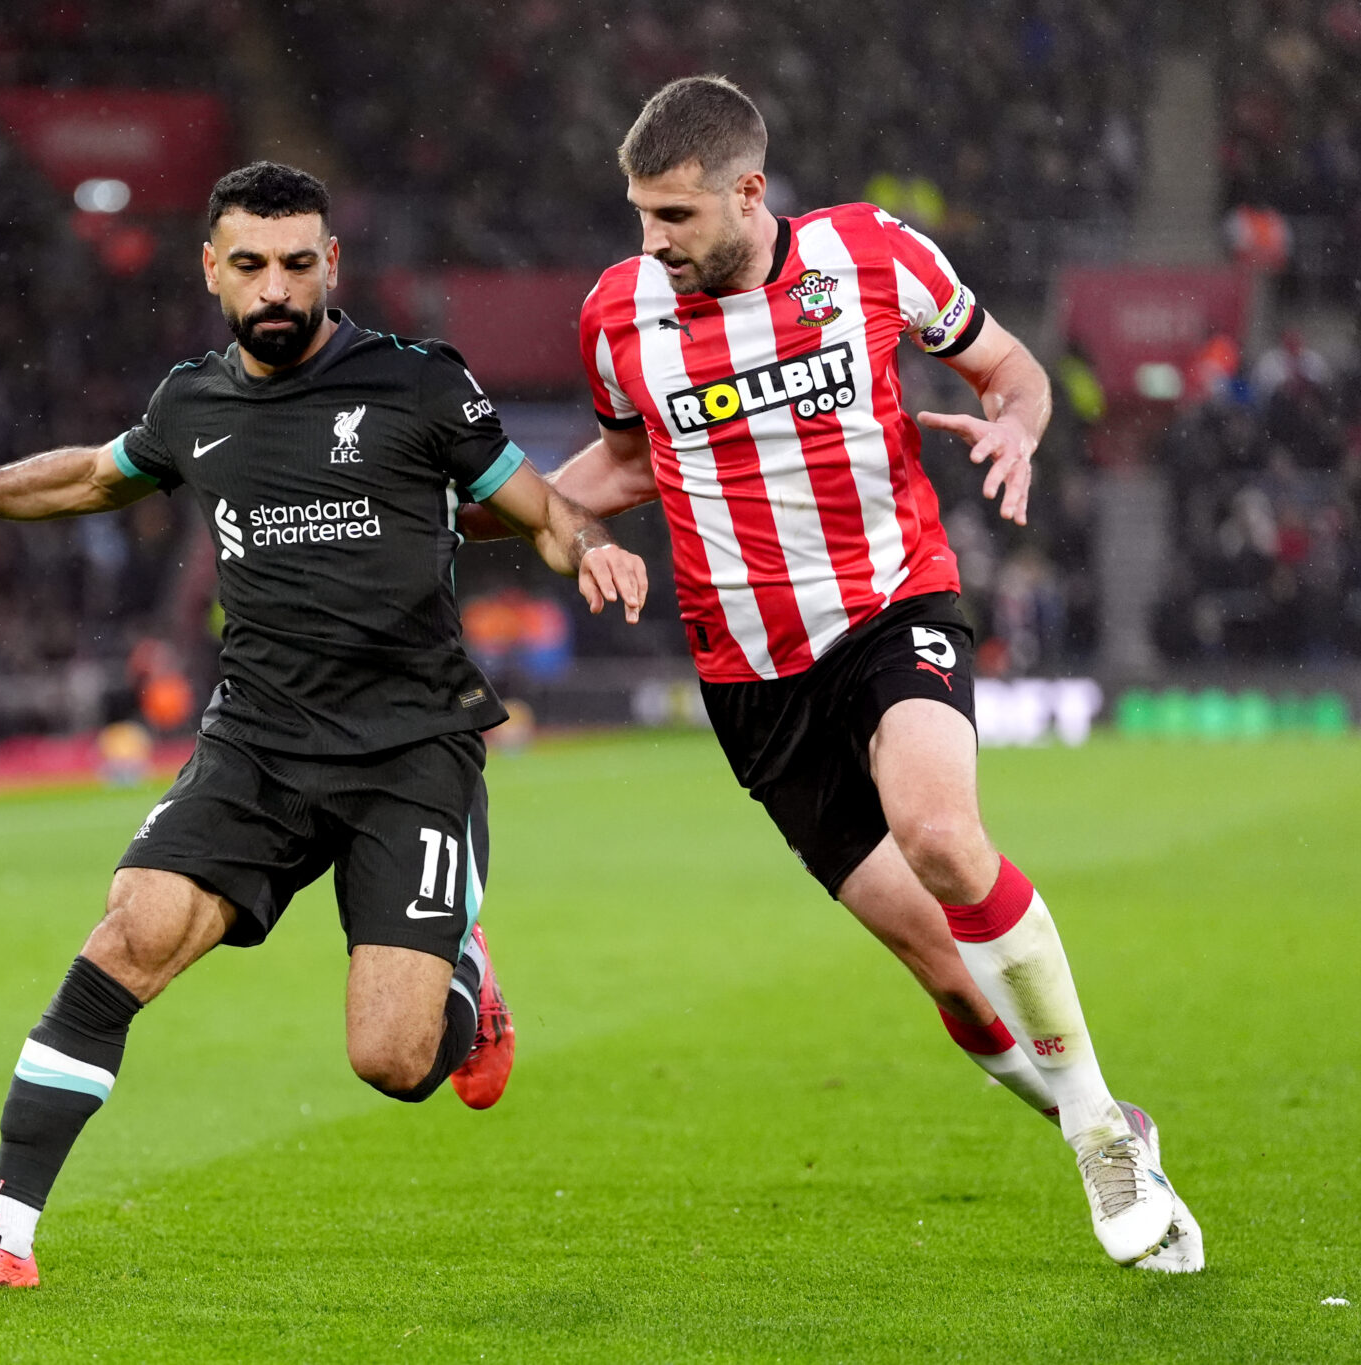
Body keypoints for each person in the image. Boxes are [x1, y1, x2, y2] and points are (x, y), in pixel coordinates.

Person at [0, 161, 650, 1290]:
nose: (275, 287)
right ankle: (4, 1229)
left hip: (410, 747)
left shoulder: (419, 387)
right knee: (130, 931)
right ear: (212, 271)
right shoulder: (192, 403)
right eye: (249, 265)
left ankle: (459, 981)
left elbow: (535, 504)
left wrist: (589, 545)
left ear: (331, 265)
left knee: (392, 1062)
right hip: (258, 741)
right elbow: (87, 478)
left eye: (298, 263)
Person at [470, 77, 1201, 1272]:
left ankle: (1095, 1138)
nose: (649, 244)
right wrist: (484, 515)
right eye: (638, 217)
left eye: (673, 218)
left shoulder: (870, 254)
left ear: (748, 192)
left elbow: (1009, 371)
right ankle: (1106, 1123)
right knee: (941, 964)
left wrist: (1018, 426)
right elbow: (618, 463)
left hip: (888, 606)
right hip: (749, 676)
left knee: (942, 837)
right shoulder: (619, 316)